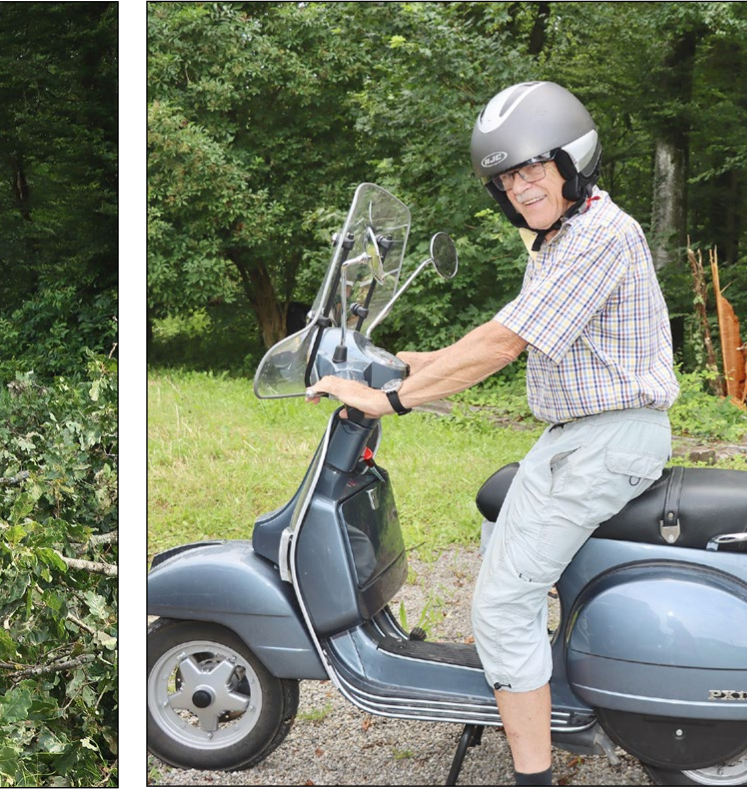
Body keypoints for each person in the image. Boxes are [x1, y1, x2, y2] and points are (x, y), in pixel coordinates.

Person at [307, 81, 679, 786]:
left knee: (501, 601)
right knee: (500, 538)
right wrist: (413, 363)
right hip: (580, 437)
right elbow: (503, 328)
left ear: (572, 162)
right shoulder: (565, 237)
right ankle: (531, 683)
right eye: (507, 175)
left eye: (534, 166)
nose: (521, 185)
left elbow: (504, 343)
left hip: (605, 440)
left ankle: (531, 776)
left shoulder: (598, 234)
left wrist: (388, 398)